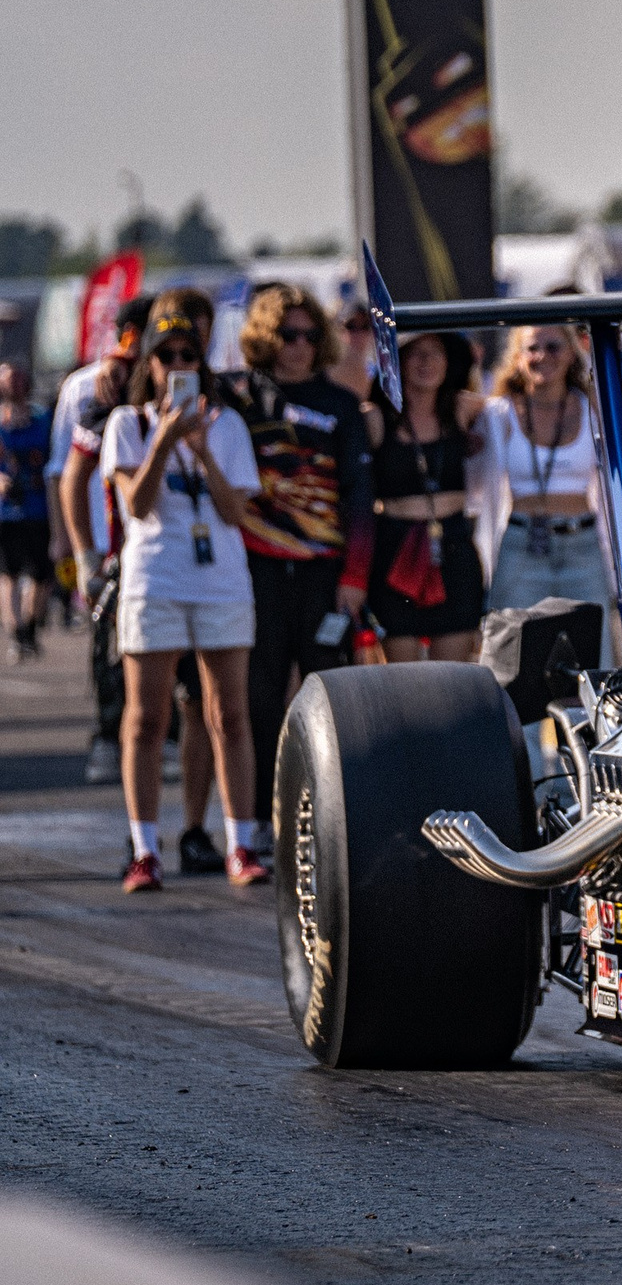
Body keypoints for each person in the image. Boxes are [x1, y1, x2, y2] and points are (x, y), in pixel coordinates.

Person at [99, 304, 269, 891]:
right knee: (147, 718)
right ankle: (145, 849)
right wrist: (166, 437)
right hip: (155, 580)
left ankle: (240, 843)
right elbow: (137, 504)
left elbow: (234, 511)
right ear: (149, 363)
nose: (176, 365)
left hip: (219, 580)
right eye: (165, 355)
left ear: (202, 364)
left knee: (230, 715)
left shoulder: (226, 427)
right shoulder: (128, 424)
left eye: (187, 356)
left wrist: (197, 448)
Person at [233, 283, 373, 839]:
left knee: (329, 693)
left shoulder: (340, 404)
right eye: (288, 335)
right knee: (261, 697)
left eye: (310, 335)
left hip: (324, 572)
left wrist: (356, 576)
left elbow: (361, 497)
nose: (299, 346)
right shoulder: (237, 399)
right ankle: (264, 819)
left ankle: (333, 815)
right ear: (267, 338)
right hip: (256, 571)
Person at [53, 296, 152, 782]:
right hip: (108, 539)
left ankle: (165, 736)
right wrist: (77, 550)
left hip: (163, 542)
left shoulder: (182, 382)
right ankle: (108, 737)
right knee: (110, 647)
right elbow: (63, 472)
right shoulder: (86, 387)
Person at [368, 332, 487, 661]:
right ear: (397, 362)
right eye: (415, 353)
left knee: (453, 678)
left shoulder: (461, 410)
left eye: (436, 353)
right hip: (396, 547)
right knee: (403, 679)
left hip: (453, 544)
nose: (426, 362)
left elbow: (509, 400)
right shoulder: (377, 418)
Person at [483, 322, 612, 610]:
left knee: (596, 646)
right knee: (513, 644)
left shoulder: (593, 407)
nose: (542, 356)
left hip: (583, 542)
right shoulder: (499, 413)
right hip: (522, 542)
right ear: (517, 358)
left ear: (571, 354)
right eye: (532, 348)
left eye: (553, 347)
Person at [0, 364, 52, 662]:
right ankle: (16, 634)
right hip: (7, 512)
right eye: (9, 380)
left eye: (19, 379)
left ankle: (30, 629)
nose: (14, 385)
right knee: (9, 575)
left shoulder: (41, 419)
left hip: (37, 508)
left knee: (40, 576)